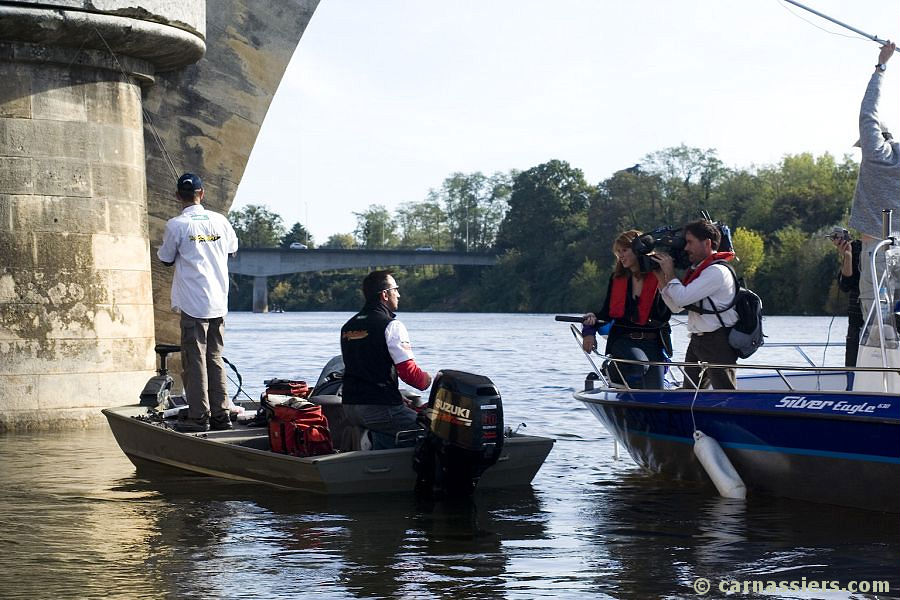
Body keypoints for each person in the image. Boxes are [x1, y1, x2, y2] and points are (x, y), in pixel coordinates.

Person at [157, 173, 239, 433]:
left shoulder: (176, 225)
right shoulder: (220, 221)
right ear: (202, 194)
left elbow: (166, 258)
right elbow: (232, 249)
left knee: (195, 359)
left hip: (194, 304)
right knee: (215, 357)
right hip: (218, 302)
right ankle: (221, 414)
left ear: (178, 196)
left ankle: (199, 415)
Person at [340, 270, 432, 448]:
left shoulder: (348, 326)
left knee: (397, 423)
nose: (399, 294)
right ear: (384, 294)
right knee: (434, 430)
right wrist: (430, 381)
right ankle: (373, 444)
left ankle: (372, 444)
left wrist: (395, 396)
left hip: (350, 407)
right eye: (395, 289)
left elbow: (365, 368)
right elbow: (410, 374)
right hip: (378, 409)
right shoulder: (391, 325)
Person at [849, 41, 899, 343]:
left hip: (877, 249)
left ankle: (880, 378)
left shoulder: (876, 155)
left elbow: (869, 111)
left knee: (877, 321)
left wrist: (881, 65)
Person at [581, 229, 672, 389]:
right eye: (618, 252)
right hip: (624, 340)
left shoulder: (658, 275)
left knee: (657, 394)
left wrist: (663, 277)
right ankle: (611, 370)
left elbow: (665, 315)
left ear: (638, 250)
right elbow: (605, 314)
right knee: (639, 365)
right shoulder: (617, 279)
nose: (620, 256)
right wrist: (589, 329)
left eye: (624, 250)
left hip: (653, 343)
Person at [654, 220, 739, 390]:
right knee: (690, 393)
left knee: (725, 393)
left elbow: (681, 299)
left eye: (690, 242)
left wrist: (669, 272)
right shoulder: (700, 270)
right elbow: (676, 307)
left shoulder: (716, 272)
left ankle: (730, 417)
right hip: (698, 341)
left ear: (707, 243)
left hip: (717, 341)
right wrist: (659, 276)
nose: (686, 248)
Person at [833, 236, 863, 367]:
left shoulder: (893, 246)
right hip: (857, 322)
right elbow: (845, 285)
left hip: (891, 321)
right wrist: (848, 256)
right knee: (852, 371)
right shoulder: (856, 247)